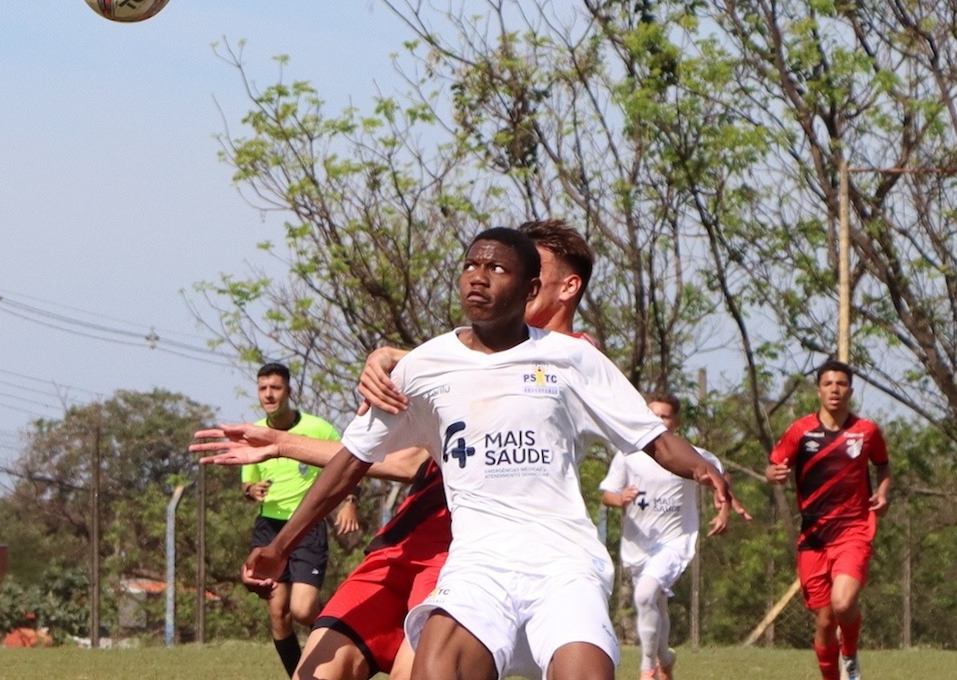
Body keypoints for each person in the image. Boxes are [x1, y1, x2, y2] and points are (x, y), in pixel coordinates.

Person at [248, 227, 738, 680]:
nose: (478, 278)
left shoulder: (574, 359)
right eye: (471, 266)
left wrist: (703, 469)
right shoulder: (425, 366)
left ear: (530, 289)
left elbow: (654, 438)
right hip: (477, 567)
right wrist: (279, 546)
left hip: (564, 565)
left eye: (497, 269)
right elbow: (351, 462)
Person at [766, 361, 891, 680]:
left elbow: (883, 465)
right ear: (819, 390)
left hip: (854, 530)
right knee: (824, 621)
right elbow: (774, 466)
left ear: (850, 390)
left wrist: (883, 492)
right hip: (814, 536)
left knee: (844, 602)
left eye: (841, 384)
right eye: (828, 383)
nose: (835, 389)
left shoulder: (866, 431)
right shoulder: (800, 431)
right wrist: (775, 474)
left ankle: (849, 653)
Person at [243, 362, 362, 676]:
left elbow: (352, 462)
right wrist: (250, 489)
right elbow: (248, 481)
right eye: (263, 388)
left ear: (289, 391)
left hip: (306, 527)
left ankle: (342, 637)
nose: (269, 395)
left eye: (275, 388)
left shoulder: (318, 428)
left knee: (303, 609)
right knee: (278, 613)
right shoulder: (255, 432)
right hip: (269, 528)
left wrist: (350, 501)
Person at [599, 392, 727, 680]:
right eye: (653, 415)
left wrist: (724, 511)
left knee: (644, 596)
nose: (659, 421)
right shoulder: (628, 455)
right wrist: (620, 499)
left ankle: (646, 669)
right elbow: (607, 494)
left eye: (665, 416)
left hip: (673, 542)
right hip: (637, 544)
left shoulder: (693, 455)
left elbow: (720, 477)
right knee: (655, 604)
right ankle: (665, 658)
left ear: (676, 421)